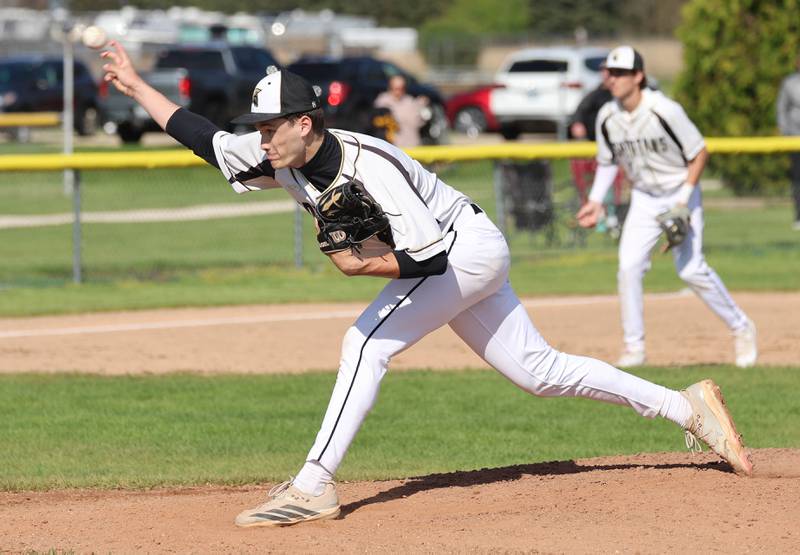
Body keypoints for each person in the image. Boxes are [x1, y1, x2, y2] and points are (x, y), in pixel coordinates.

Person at [100, 40, 754, 528]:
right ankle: (686, 406)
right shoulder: (281, 156)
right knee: (540, 371)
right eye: (259, 129)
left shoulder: (370, 165)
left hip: (462, 251)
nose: (260, 140)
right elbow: (204, 140)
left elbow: (430, 258)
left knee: (366, 343)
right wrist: (133, 85)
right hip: (459, 254)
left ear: (305, 123)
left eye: (269, 128)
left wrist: (360, 268)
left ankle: (314, 483)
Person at [576, 45, 758, 369]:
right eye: (609, 72)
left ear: (638, 76)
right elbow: (607, 162)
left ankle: (742, 328)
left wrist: (684, 200)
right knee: (628, 267)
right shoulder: (607, 116)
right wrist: (595, 200)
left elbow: (699, 153)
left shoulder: (664, 109)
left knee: (690, 270)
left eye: (619, 73)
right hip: (644, 198)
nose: (612, 78)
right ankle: (635, 348)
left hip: (679, 191)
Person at [776, 54, 800, 230]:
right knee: (798, 179)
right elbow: (782, 110)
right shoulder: (790, 83)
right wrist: (787, 134)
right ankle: (799, 216)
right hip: (796, 138)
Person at [373, 74, 428, 148]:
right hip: (392, 148)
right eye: (396, 88)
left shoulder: (409, 101)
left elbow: (418, 123)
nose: (399, 91)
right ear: (390, 87)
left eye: (401, 88)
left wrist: (420, 107)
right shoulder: (382, 102)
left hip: (412, 146)